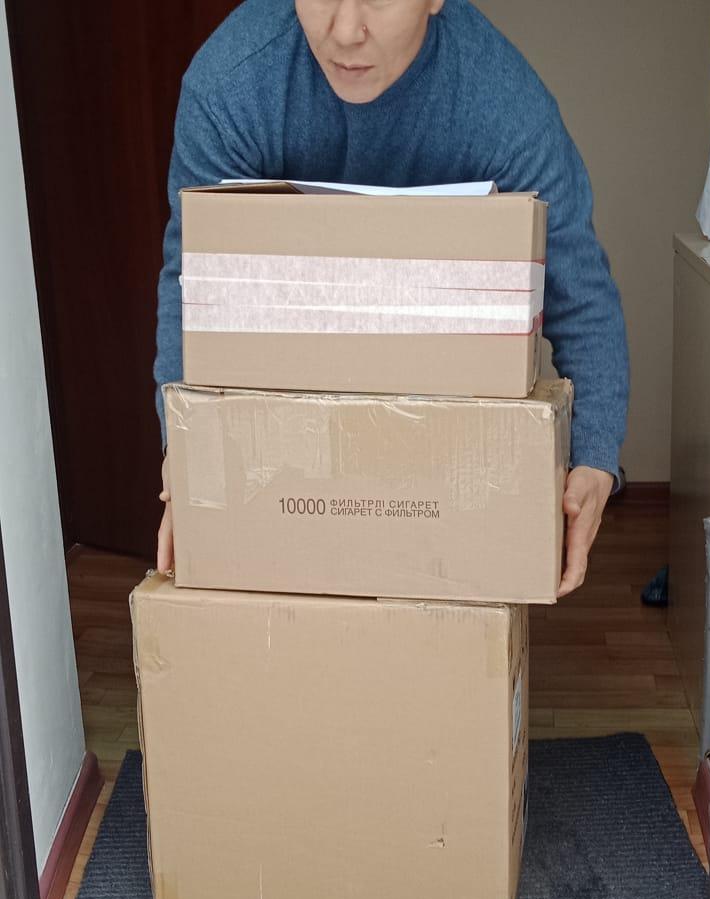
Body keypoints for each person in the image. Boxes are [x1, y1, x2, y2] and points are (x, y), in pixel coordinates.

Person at [155, 0, 630, 596]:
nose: (345, 32)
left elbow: (578, 292)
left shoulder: (504, 106)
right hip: (285, 422)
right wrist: (187, 455)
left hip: (445, 430)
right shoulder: (232, 84)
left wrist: (594, 458)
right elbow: (194, 283)